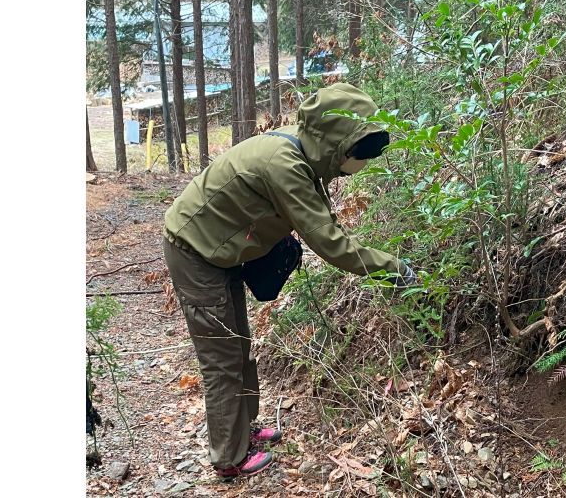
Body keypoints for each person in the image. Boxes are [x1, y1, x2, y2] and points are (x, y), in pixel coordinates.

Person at [162, 82, 416, 479]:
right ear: (332, 140)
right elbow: (331, 242)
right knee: (221, 360)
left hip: (220, 251)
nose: (359, 160)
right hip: (195, 251)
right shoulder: (286, 164)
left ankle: (242, 430)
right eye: (355, 150)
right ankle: (228, 459)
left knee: (239, 347)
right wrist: (394, 269)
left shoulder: (299, 152)